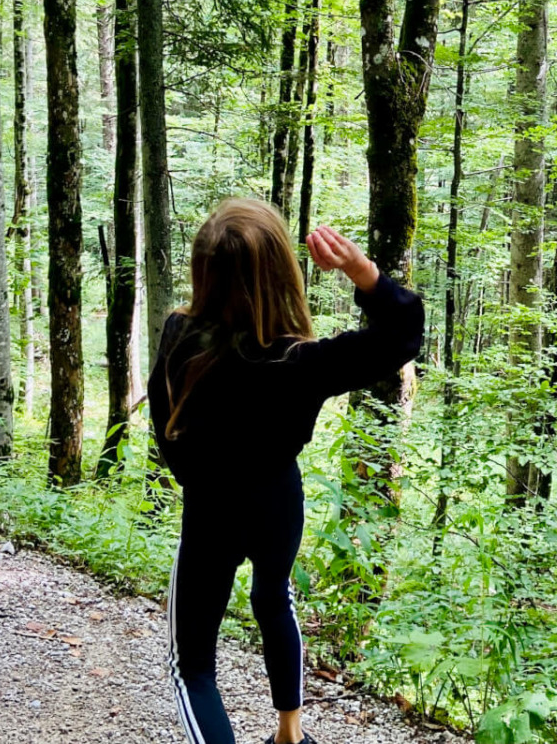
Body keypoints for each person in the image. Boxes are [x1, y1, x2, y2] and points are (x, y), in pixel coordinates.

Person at [148, 198, 425, 744]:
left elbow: (165, 420)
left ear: (203, 273)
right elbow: (402, 333)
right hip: (277, 500)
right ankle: (290, 736)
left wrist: (196, 479)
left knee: (193, 667)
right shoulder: (304, 361)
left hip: (212, 508)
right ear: (282, 272)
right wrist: (360, 271)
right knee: (274, 597)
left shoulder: (179, 332)